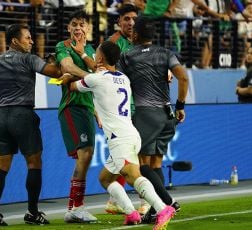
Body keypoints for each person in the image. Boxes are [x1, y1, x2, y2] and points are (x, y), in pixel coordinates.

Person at [65, 40, 176, 230]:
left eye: (96, 53)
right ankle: (131, 213)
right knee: (105, 179)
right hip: (131, 133)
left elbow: (72, 87)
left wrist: (68, 76)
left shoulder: (96, 79)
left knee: (133, 176)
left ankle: (162, 208)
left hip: (120, 139)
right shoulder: (124, 78)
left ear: (99, 58)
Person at [0, 24, 62, 227]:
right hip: (23, 114)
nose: (31, 41)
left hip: (2, 116)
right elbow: (56, 73)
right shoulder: (29, 59)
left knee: (2, 166)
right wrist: (55, 60)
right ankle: (32, 212)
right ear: (15, 41)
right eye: (28, 38)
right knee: (34, 163)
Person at [117, 16, 188, 223]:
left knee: (140, 165)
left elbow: (118, 83)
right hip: (168, 114)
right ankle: (157, 210)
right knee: (156, 164)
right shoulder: (166, 53)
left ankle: (168, 202)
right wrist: (181, 106)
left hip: (145, 114)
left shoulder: (127, 56)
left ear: (135, 34)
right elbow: (183, 77)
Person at [55, 10, 98, 223]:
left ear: (88, 29)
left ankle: (73, 207)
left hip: (87, 109)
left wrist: (97, 111)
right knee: (85, 155)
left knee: (86, 157)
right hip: (72, 106)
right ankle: (77, 207)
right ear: (68, 28)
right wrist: (92, 77)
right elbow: (66, 67)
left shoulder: (90, 49)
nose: (78, 28)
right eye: (74, 24)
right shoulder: (62, 47)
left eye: (82, 25)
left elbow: (99, 70)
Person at [105, 3, 139, 215]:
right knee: (131, 156)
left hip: (135, 104)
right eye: (126, 18)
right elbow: (102, 74)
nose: (131, 23)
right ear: (118, 22)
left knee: (125, 156)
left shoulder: (137, 42)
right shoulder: (113, 43)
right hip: (119, 110)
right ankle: (144, 202)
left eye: (134, 18)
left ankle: (114, 201)